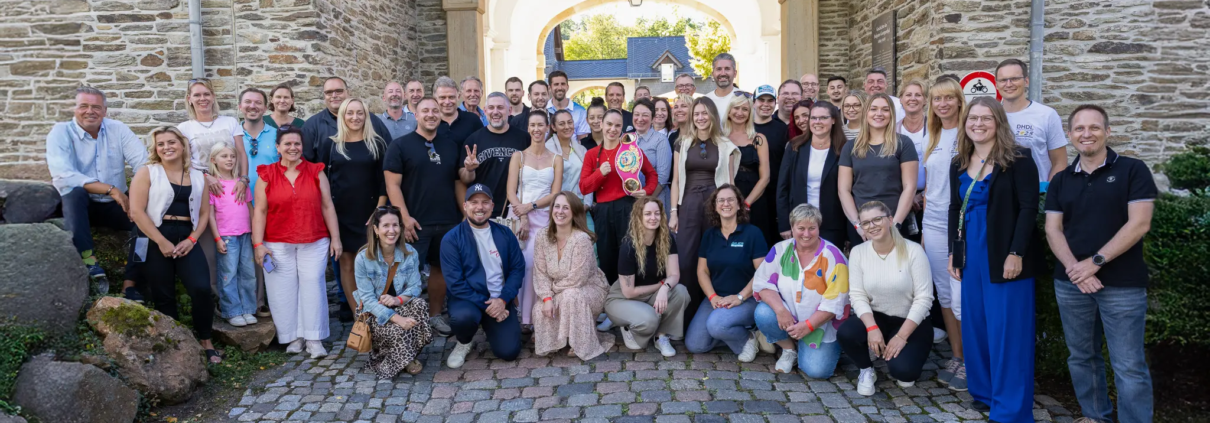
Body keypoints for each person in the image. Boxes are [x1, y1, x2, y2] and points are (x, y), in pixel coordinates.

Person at [1044, 105, 1156, 423]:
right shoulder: (1061, 180)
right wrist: (1075, 270)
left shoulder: (1133, 170)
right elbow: (1053, 229)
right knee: (1081, 357)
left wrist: (1094, 263)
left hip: (1123, 284)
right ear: (1069, 135)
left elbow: (1139, 224)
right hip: (1071, 284)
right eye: (1079, 129)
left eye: (1094, 127)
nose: (1086, 134)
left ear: (1108, 131)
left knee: (1129, 364)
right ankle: (1095, 416)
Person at [946, 96, 1041, 422]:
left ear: (998, 122)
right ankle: (984, 393)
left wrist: (1017, 253)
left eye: (986, 118)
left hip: (1004, 256)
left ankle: (1011, 408)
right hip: (972, 257)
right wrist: (953, 254)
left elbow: (1029, 209)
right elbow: (955, 209)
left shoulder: (1019, 159)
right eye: (973, 118)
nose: (979, 124)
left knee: (1008, 332)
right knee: (977, 326)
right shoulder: (959, 161)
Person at [129, 126, 221, 363]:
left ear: (182, 146)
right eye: (161, 144)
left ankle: (205, 340)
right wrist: (161, 241)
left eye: (171, 142)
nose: (166, 147)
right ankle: (175, 344)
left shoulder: (198, 176)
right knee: (163, 293)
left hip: (187, 237)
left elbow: (203, 214)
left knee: (201, 288)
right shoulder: (148, 172)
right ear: (156, 149)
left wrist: (192, 240)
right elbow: (137, 212)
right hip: (154, 235)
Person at [46, 87, 147, 297]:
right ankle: (90, 262)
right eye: (84, 106)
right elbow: (63, 175)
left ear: (105, 111)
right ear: (74, 109)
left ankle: (131, 282)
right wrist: (111, 190)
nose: (89, 111)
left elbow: (144, 165)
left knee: (148, 223)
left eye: (96, 107)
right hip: (81, 206)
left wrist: (134, 200)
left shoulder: (117, 129)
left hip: (114, 207)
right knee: (74, 193)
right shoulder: (60, 132)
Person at [253, 125, 341, 359]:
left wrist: (336, 238)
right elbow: (260, 211)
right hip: (276, 241)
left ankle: (313, 338)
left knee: (313, 285)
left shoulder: (315, 171)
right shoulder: (266, 174)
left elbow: (327, 205)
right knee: (282, 289)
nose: (293, 148)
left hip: (314, 238)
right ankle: (293, 336)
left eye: (297, 144)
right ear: (278, 147)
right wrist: (258, 244)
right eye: (288, 144)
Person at [384, 96, 463, 337]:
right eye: (425, 110)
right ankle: (403, 322)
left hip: (448, 219)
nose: (430, 114)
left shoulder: (451, 145)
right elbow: (392, 185)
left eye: (435, 111)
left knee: (440, 270)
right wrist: (404, 218)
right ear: (415, 115)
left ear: (441, 115)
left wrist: (463, 214)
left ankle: (434, 315)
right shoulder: (400, 145)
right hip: (415, 222)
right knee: (406, 273)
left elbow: (458, 181)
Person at [840, 201, 935, 394]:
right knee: (846, 332)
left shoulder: (913, 250)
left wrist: (901, 336)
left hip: (910, 321)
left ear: (890, 220)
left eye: (877, 219)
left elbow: (924, 298)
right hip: (878, 318)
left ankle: (894, 350)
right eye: (866, 223)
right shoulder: (858, 252)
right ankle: (866, 369)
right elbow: (857, 295)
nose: (872, 226)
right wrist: (872, 328)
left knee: (904, 373)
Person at [752, 204, 849, 376]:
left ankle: (816, 346)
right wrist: (781, 310)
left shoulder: (833, 256)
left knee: (817, 371)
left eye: (812, 228)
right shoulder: (780, 249)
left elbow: (836, 301)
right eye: (801, 228)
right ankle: (789, 349)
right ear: (792, 228)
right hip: (789, 317)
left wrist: (808, 325)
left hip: (821, 326)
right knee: (763, 313)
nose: (806, 234)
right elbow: (763, 283)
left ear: (819, 227)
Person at [311, 98, 388, 312]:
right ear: (342, 116)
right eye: (350, 113)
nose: (355, 117)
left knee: (374, 265)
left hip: (370, 213)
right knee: (347, 263)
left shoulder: (377, 143)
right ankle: (359, 316)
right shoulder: (331, 144)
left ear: (366, 116)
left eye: (360, 113)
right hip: (341, 214)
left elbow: (385, 180)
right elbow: (323, 179)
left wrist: (379, 211)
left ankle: (376, 311)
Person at [442, 184, 526, 367]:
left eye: (485, 202)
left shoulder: (505, 233)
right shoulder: (452, 239)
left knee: (509, 352)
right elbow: (455, 284)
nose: (480, 207)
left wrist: (503, 300)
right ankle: (464, 342)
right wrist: (490, 306)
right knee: (463, 318)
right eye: (474, 202)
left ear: (492, 205)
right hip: (467, 300)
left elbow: (517, 269)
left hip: (500, 298)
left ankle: (494, 327)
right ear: (465, 206)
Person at [670, 98, 739, 311]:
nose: (700, 118)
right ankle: (686, 314)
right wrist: (674, 212)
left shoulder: (725, 145)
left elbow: (729, 182)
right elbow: (676, 181)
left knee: (714, 257)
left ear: (712, 116)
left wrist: (729, 214)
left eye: (704, 113)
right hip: (688, 204)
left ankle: (715, 308)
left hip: (715, 206)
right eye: (696, 114)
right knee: (686, 259)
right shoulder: (681, 143)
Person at [684, 185, 767, 361]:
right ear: (715, 206)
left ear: (739, 205)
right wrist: (712, 297)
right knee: (695, 345)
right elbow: (702, 271)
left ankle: (747, 340)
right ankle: (737, 331)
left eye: (731, 199)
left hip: (748, 299)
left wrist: (740, 297)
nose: (726, 204)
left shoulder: (753, 233)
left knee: (716, 325)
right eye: (721, 200)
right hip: (717, 299)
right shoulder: (710, 235)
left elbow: (762, 273)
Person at [921, 78, 968, 389]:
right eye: (937, 99)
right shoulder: (932, 135)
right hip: (934, 222)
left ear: (959, 100)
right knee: (945, 292)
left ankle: (973, 359)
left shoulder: (969, 133)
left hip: (963, 223)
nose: (943, 104)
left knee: (963, 292)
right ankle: (957, 356)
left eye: (949, 98)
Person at [178, 78, 244, 295]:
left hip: (232, 187)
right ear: (189, 99)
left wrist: (243, 180)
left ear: (213, 96)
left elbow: (241, 153)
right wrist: (207, 177)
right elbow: (184, 162)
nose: (202, 98)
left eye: (206, 94)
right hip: (203, 188)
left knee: (240, 240)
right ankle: (216, 295)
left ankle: (251, 297)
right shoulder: (185, 128)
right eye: (197, 95)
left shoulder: (229, 122)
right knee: (210, 243)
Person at [580, 109, 659, 284]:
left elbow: (652, 174)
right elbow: (584, 187)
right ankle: (611, 300)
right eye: (609, 124)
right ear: (601, 124)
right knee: (606, 256)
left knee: (630, 253)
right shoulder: (592, 154)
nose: (612, 129)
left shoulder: (631, 150)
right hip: (602, 211)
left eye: (617, 125)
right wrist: (600, 173)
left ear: (622, 128)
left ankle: (632, 295)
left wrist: (646, 191)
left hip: (628, 207)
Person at [531, 192, 613, 360]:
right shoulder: (542, 236)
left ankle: (580, 343)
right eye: (557, 206)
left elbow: (578, 279)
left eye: (566, 208)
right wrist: (547, 298)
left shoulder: (581, 239)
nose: (560, 211)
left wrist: (552, 292)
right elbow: (540, 272)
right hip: (560, 289)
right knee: (540, 308)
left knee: (570, 295)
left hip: (588, 289)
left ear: (574, 212)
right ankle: (559, 340)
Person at [354, 206, 433, 379]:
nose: (392, 230)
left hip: (398, 305)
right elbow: (367, 299)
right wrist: (398, 319)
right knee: (398, 329)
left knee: (420, 305)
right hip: (373, 312)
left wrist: (397, 300)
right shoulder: (362, 258)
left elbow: (415, 287)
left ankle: (407, 354)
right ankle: (396, 360)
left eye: (396, 225)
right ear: (376, 229)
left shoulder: (410, 253)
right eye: (386, 226)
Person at [606, 197, 690, 356]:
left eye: (657, 213)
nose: (653, 218)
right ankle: (627, 327)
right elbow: (629, 292)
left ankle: (661, 337)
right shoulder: (629, 246)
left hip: (652, 294)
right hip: (623, 298)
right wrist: (660, 286)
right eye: (648, 214)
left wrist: (665, 289)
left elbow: (674, 275)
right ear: (639, 217)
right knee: (648, 323)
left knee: (680, 292)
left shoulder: (667, 239)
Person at [506, 110, 564, 327]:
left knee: (535, 264)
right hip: (518, 215)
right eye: (533, 125)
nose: (537, 129)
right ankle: (517, 314)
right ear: (528, 128)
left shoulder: (556, 159)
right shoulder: (518, 156)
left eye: (541, 125)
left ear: (548, 127)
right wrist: (522, 214)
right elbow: (510, 191)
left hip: (544, 216)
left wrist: (530, 207)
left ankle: (533, 317)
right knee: (517, 264)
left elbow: (555, 193)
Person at [838, 93, 919, 244]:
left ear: (891, 114)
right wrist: (858, 225)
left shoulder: (903, 143)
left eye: (885, 109)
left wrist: (895, 225)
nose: (879, 114)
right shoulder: (850, 147)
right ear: (866, 113)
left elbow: (910, 187)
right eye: (873, 109)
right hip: (862, 225)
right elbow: (843, 190)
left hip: (894, 221)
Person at [778, 101, 847, 245]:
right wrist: (785, 223)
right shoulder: (795, 146)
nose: (817, 122)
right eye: (813, 118)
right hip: (799, 222)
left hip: (832, 223)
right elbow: (782, 188)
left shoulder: (844, 149)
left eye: (823, 118)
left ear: (833, 120)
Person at [996, 58, 1069, 189]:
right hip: (999, 197)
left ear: (1027, 81)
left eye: (1014, 78)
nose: (1008, 84)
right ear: (997, 84)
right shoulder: (990, 116)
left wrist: (1047, 194)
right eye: (1003, 80)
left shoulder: (1046, 115)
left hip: (1035, 197)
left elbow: (1060, 162)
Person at [207, 143, 258, 327]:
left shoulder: (241, 183)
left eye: (232, 156)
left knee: (248, 273)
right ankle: (232, 310)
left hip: (246, 234)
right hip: (227, 236)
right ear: (214, 160)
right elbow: (210, 215)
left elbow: (251, 209)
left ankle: (248, 309)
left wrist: (255, 233)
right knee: (229, 274)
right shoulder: (213, 185)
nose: (230, 159)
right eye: (224, 156)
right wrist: (217, 238)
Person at [460, 92, 530, 218]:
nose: (495, 111)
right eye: (491, 108)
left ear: (509, 111)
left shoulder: (524, 138)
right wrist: (470, 170)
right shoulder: (473, 140)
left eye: (500, 107)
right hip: (483, 211)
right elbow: (464, 179)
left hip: (515, 211)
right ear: (485, 111)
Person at [302, 77, 392, 165]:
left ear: (348, 92)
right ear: (324, 96)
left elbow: (389, 154)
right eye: (329, 92)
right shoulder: (311, 126)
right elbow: (304, 164)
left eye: (339, 91)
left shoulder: (370, 120)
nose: (334, 95)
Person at [722, 95, 774, 247]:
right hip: (728, 195)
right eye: (736, 108)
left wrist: (746, 204)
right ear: (729, 111)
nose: (740, 112)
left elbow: (765, 177)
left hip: (755, 197)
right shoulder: (721, 137)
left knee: (756, 243)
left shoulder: (759, 138)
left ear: (750, 113)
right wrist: (732, 201)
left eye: (745, 109)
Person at [631, 98, 673, 212]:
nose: (640, 119)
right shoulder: (626, 140)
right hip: (631, 202)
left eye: (645, 115)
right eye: (636, 114)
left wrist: (646, 202)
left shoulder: (660, 140)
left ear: (652, 118)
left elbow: (663, 178)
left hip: (655, 200)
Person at [545, 110, 592, 208]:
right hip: (556, 205)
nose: (567, 127)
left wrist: (587, 205)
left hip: (580, 204)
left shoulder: (582, 150)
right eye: (562, 124)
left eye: (570, 122)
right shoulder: (547, 149)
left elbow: (588, 179)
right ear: (553, 127)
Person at [433, 76, 485, 146]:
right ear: (435, 99)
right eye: (442, 97)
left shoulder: (473, 120)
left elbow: (483, 147)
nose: (447, 102)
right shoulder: (429, 122)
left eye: (451, 97)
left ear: (458, 97)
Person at [546, 71, 591, 137]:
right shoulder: (544, 110)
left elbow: (583, 142)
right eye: (556, 84)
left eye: (563, 84)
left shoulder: (580, 112)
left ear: (567, 87)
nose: (560, 88)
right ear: (549, 88)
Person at [704, 53, 740, 123]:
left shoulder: (745, 99)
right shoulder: (706, 101)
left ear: (735, 73)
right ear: (713, 74)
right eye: (719, 69)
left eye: (727, 69)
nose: (723, 73)